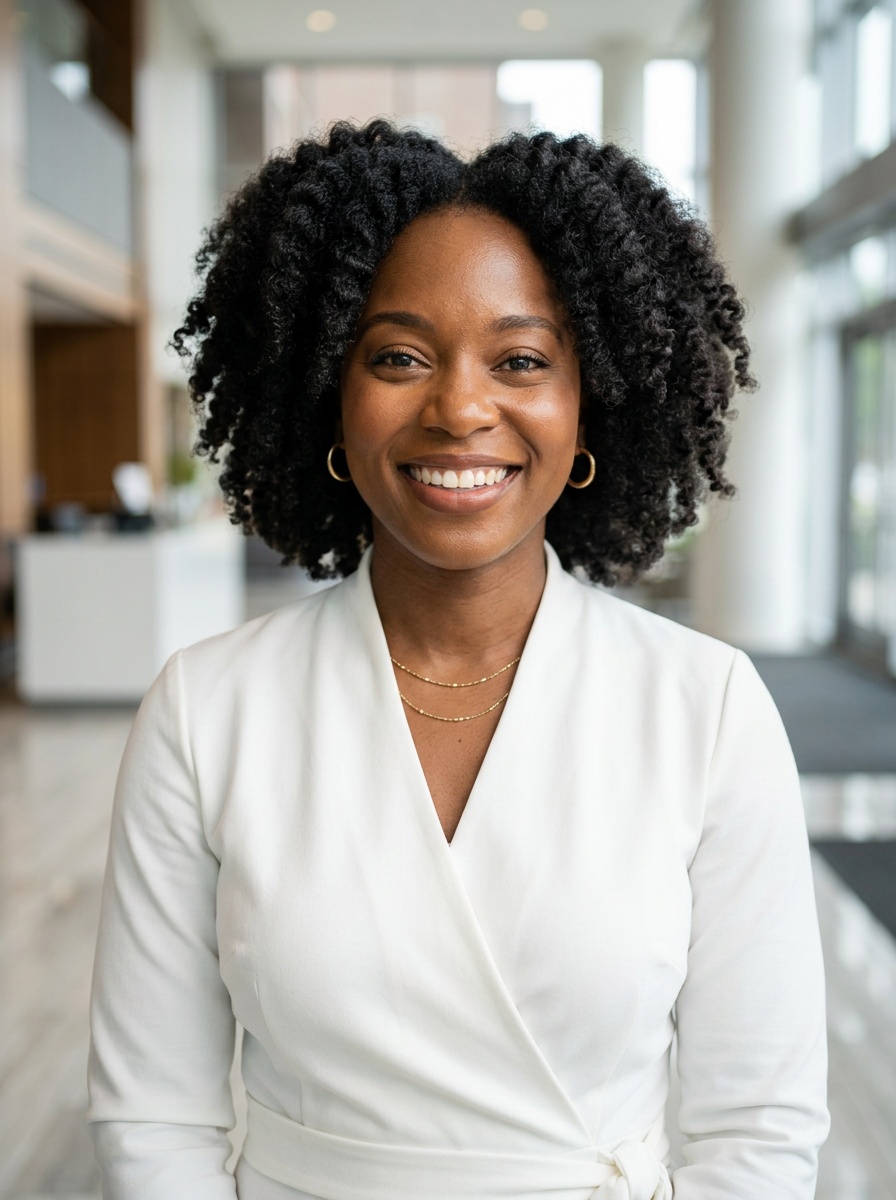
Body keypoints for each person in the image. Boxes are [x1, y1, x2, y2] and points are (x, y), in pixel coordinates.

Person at [87, 120, 829, 1199]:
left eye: (520, 360)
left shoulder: (704, 708)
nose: (460, 408)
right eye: (398, 357)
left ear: (588, 413)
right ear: (327, 397)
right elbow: (153, 1116)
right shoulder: (206, 711)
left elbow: (757, 1129)